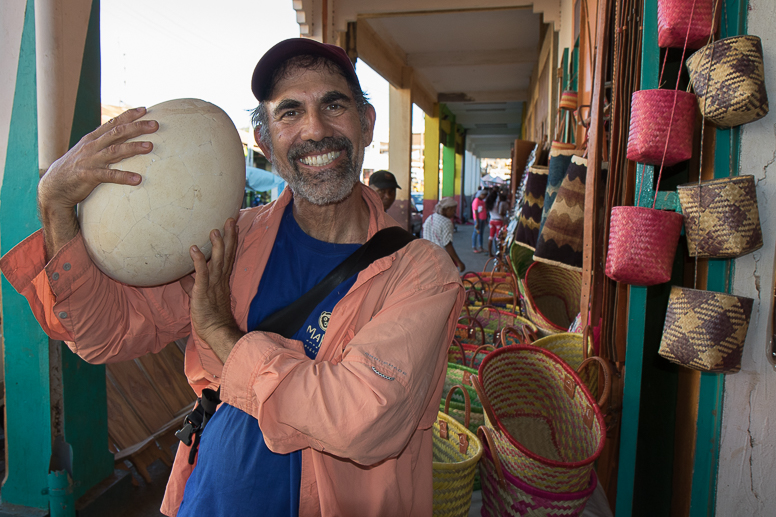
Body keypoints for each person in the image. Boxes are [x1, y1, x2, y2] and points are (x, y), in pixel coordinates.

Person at [0, 38, 464, 516]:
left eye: (333, 104)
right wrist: (56, 207)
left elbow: (364, 422)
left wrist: (223, 334)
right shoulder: (233, 237)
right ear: (264, 141)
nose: (315, 128)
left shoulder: (422, 271)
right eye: (289, 112)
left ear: (366, 123)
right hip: (206, 500)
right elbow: (103, 335)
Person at [422, 197, 465, 272]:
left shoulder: (430, 218)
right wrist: (459, 262)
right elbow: (447, 244)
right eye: (453, 211)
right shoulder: (446, 222)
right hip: (441, 259)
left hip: (427, 257)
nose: (454, 213)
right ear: (448, 209)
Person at [486, 189, 508, 257]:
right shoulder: (498, 203)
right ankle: (498, 253)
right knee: (498, 238)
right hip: (499, 220)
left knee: (491, 237)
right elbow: (500, 212)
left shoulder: (489, 203)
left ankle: (490, 253)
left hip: (492, 220)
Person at [471, 189, 488, 253]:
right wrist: (477, 222)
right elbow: (475, 211)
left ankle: (481, 247)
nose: (484, 197)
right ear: (481, 194)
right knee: (476, 232)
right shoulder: (476, 201)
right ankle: (474, 247)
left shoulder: (482, 201)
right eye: (484, 195)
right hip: (478, 220)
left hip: (483, 219)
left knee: (481, 233)